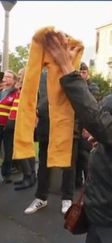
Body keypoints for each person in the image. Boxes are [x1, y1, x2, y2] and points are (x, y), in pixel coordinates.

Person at [42, 31, 112, 243]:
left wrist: (67, 68)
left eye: (104, 113)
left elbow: (93, 116)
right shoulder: (111, 141)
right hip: (99, 222)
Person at [24, 69, 76, 215]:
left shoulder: (69, 71)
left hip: (65, 126)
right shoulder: (40, 75)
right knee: (43, 164)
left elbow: (77, 99)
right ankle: (41, 197)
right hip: (45, 127)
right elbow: (32, 99)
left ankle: (67, 198)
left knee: (68, 165)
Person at [7, 68, 37, 190]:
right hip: (18, 120)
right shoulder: (21, 87)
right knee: (25, 147)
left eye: (20, 74)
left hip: (24, 120)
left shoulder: (29, 87)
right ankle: (29, 176)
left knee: (23, 147)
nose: (18, 76)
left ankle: (28, 177)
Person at [0, 70, 19, 183]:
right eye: (5, 77)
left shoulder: (15, 93)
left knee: (8, 150)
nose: (5, 78)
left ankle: (6, 173)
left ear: (13, 80)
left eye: (8, 77)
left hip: (7, 127)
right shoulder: (1, 91)